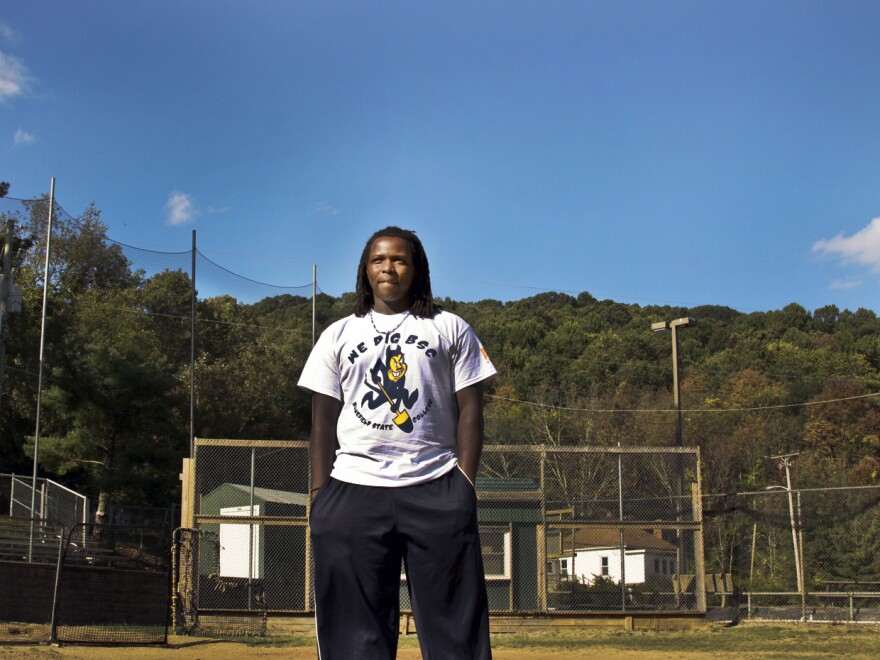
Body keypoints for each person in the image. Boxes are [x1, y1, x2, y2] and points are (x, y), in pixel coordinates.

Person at [298, 226, 496, 659]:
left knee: (455, 628)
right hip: (352, 489)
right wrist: (319, 493)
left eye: (399, 259)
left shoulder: (450, 327)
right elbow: (321, 423)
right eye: (378, 259)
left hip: (437, 484)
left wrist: (463, 482)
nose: (388, 267)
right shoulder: (337, 334)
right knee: (355, 636)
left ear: (417, 268)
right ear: (365, 271)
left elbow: (471, 411)